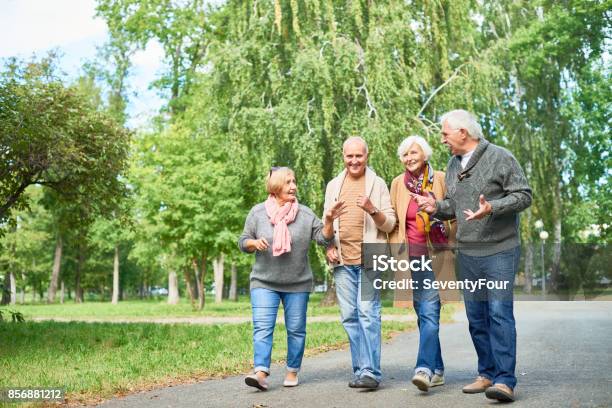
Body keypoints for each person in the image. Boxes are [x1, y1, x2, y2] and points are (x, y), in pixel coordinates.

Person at [411, 110, 532, 402]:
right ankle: (487, 373)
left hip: (500, 249)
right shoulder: (453, 165)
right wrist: (435, 206)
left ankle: (505, 380)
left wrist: (492, 207)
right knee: (476, 317)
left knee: (499, 313)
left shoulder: (501, 157)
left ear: (463, 132)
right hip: (468, 252)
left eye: (445, 134)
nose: (442, 140)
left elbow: (524, 195)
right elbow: (455, 205)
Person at [238, 167, 345, 391]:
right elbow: (243, 240)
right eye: (288, 182)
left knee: (296, 329)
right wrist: (254, 243)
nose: (294, 186)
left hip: (297, 283)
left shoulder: (305, 214)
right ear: (276, 187)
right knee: (262, 328)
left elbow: (323, 239)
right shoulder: (258, 213)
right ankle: (260, 373)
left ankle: (292, 370)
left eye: (294, 181)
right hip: (264, 282)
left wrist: (327, 221)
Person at [323, 137, 396, 389]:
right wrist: (329, 245)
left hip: (370, 258)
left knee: (367, 313)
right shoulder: (333, 185)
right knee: (349, 317)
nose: (354, 161)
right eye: (349, 156)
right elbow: (326, 225)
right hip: (342, 260)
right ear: (343, 156)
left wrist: (372, 209)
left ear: (367, 156)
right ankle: (361, 370)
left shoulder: (377, 184)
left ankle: (371, 372)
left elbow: (390, 224)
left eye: (359, 156)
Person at [389, 135, 456, 393]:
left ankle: (424, 368)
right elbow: (394, 220)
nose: (409, 158)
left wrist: (449, 236)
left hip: (435, 255)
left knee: (429, 311)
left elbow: (454, 208)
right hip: (409, 259)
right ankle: (437, 368)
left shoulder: (439, 178)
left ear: (425, 154)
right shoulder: (397, 184)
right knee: (423, 313)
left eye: (413, 153)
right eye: (405, 154)